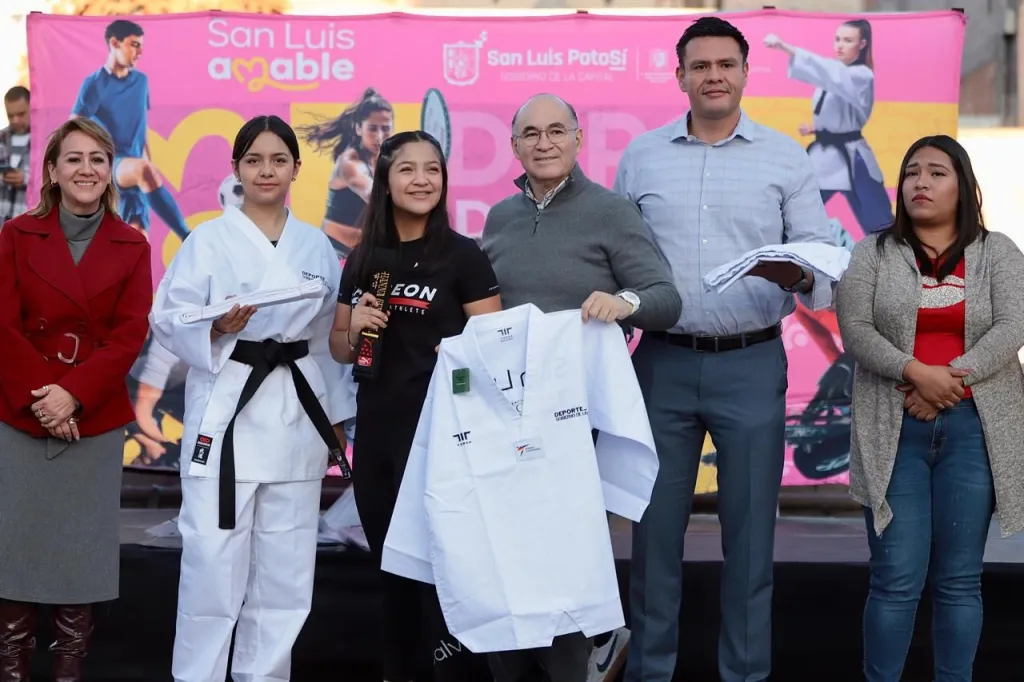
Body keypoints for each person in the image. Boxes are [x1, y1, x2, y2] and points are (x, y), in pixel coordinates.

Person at [612, 17, 834, 682]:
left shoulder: (785, 158)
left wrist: (796, 274)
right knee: (653, 539)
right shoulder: (642, 156)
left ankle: (744, 674)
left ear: (744, 72)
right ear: (679, 75)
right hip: (661, 364)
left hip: (752, 363)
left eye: (726, 64)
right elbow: (617, 257)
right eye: (700, 65)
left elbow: (822, 267)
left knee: (750, 540)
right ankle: (650, 673)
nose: (714, 75)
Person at [480, 92, 682, 682]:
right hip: (504, 414)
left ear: (578, 139)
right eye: (531, 134)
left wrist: (626, 301)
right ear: (514, 145)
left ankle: (583, 658)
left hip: (577, 416)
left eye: (556, 131)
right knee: (508, 550)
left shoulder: (612, 211)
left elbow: (666, 299)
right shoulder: (498, 218)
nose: (544, 143)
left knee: (562, 546)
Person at [148, 114, 354, 682]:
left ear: (296, 168)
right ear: (236, 168)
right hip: (228, 408)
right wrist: (215, 328)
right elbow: (167, 318)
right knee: (212, 565)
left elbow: (326, 339)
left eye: (278, 160)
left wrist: (336, 417)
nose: (267, 171)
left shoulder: (315, 246)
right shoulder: (207, 240)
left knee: (286, 574)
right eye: (254, 160)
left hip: (296, 411)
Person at [835, 134, 1024, 682]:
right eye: (912, 172)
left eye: (937, 172)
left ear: (963, 186)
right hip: (893, 429)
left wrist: (950, 382)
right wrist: (917, 373)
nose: (921, 182)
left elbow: (1013, 325)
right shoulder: (872, 252)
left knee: (960, 580)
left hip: (974, 429)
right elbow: (856, 329)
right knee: (895, 579)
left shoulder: (998, 252)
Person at [328, 130, 501, 681]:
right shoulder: (366, 258)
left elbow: (494, 349)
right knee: (392, 569)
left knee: (446, 570)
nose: (422, 180)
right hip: (379, 436)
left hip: (443, 441)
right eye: (407, 169)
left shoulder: (463, 255)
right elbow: (340, 347)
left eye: (433, 169)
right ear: (385, 180)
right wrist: (355, 325)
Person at [0, 117, 153, 681]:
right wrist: (46, 399)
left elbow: (130, 334)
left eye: (97, 159)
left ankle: (68, 674)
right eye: (74, 158)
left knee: (80, 557)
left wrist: (74, 395)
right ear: (52, 171)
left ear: (110, 170)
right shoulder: (16, 235)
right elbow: (3, 325)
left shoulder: (133, 244)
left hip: (93, 416)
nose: (86, 169)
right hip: (20, 411)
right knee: (15, 553)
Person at [764, 19, 893, 236]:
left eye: (848, 40)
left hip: (852, 156)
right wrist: (818, 129)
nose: (840, 45)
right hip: (824, 155)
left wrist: (787, 48)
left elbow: (831, 75)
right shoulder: (834, 73)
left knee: (878, 219)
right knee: (799, 209)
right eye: (838, 39)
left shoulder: (862, 75)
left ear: (862, 44)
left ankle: (891, 254)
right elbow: (829, 90)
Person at [71, 19, 191, 240]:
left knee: (137, 240)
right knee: (143, 170)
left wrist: (148, 166)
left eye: (141, 46)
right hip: (111, 165)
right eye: (134, 45)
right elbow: (72, 128)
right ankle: (187, 237)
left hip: (135, 171)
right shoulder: (94, 84)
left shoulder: (141, 81)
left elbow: (140, 128)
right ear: (115, 43)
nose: (140, 52)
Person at [299, 87, 394, 258]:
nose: (380, 136)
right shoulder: (349, 162)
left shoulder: (386, 162)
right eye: (372, 128)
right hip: (333, 252)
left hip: (363, 255)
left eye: (385, 128)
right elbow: (374, 195)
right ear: (358, 129)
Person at [1, 86, 30, 224]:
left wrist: (26, 179)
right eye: (10, 116)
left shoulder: (46, 139)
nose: (15, 120)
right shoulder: (1, 137)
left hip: (28, 224)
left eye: (21, 114)